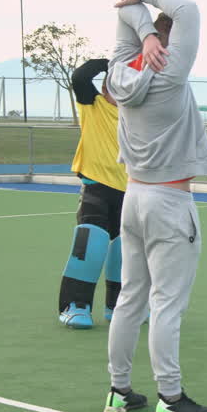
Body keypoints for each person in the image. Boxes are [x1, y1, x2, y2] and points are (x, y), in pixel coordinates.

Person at [103, 0, 207, 412]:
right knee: (167, 304)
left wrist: (145, 27)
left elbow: (125, 10)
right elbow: (188, 8)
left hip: (134, 199)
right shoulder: (170, 72)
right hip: (169, 202)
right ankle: (170, 398)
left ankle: (119, 392)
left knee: (131, 298)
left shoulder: (119, 72)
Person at [56, 56, 131, 329]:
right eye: (116, 86)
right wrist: (111, 63)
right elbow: (79, 77)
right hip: (96, 188)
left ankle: (118, 305)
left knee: (124, 251)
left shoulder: (135, 115)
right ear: (105, 89)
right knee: (91, 245)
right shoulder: (92, 105)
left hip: (129, 193)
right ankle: (74, 305)